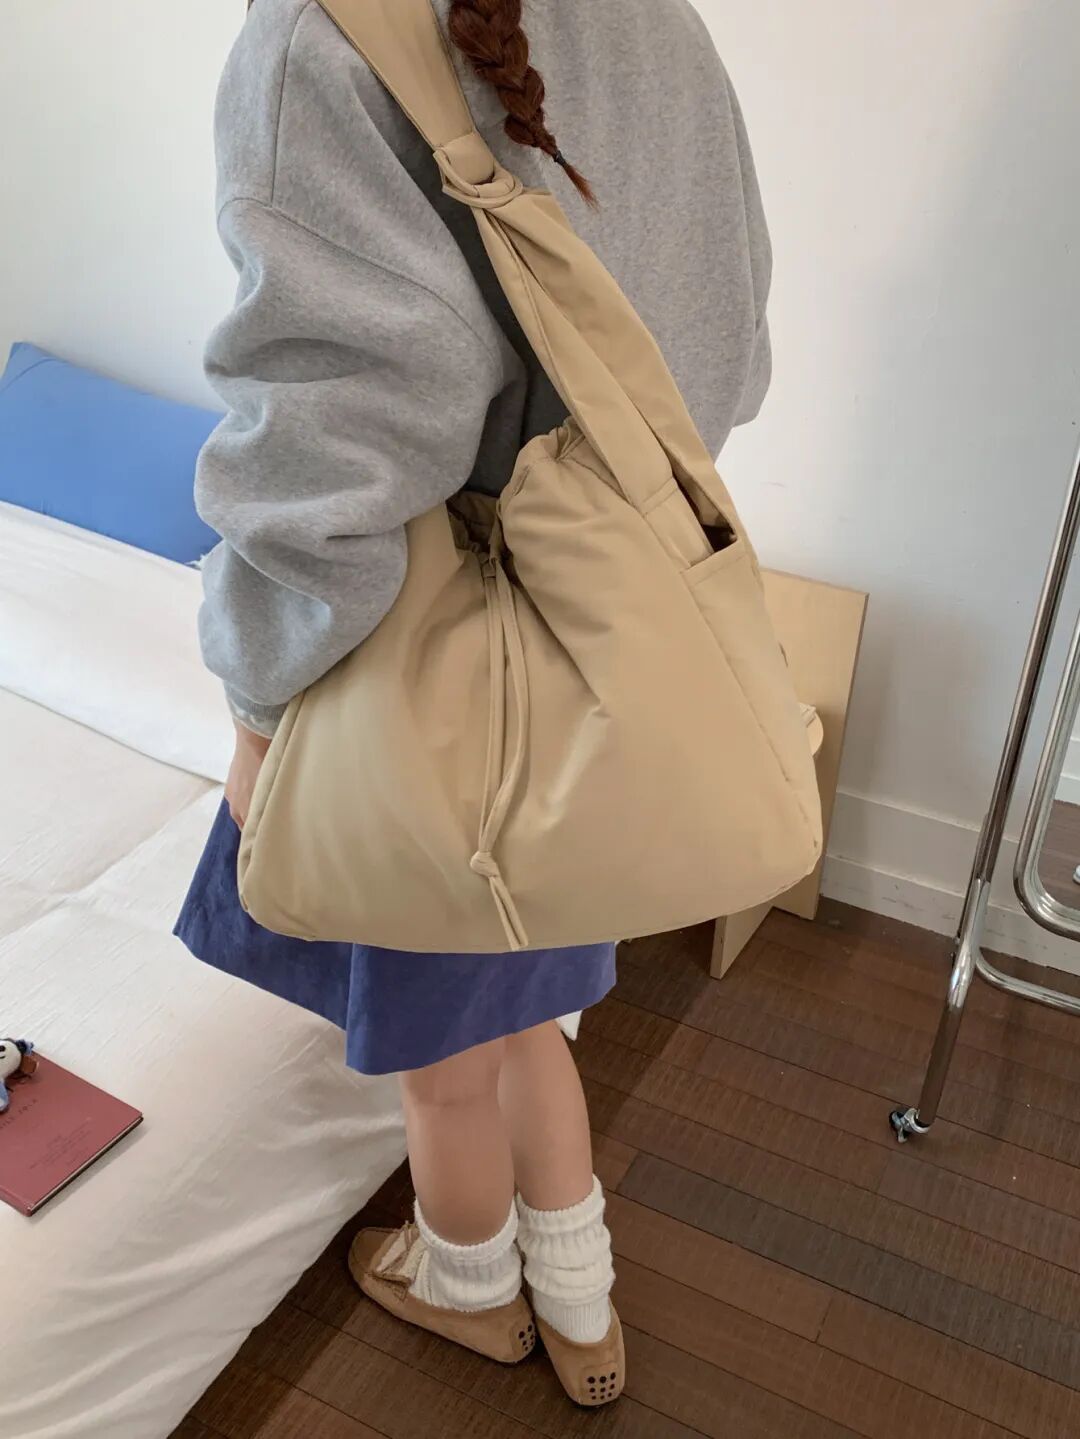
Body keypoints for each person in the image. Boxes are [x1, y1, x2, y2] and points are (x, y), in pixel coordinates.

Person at [175, 0, 771, 1407]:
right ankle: (584, 1315)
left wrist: (257, 714)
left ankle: (467, 1287)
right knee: (533, 1020)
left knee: (444, 1067)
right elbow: (729, 342)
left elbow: (328, 462)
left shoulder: (321, 43)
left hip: (444, 690)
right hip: (606, 650)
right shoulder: (655, 17)